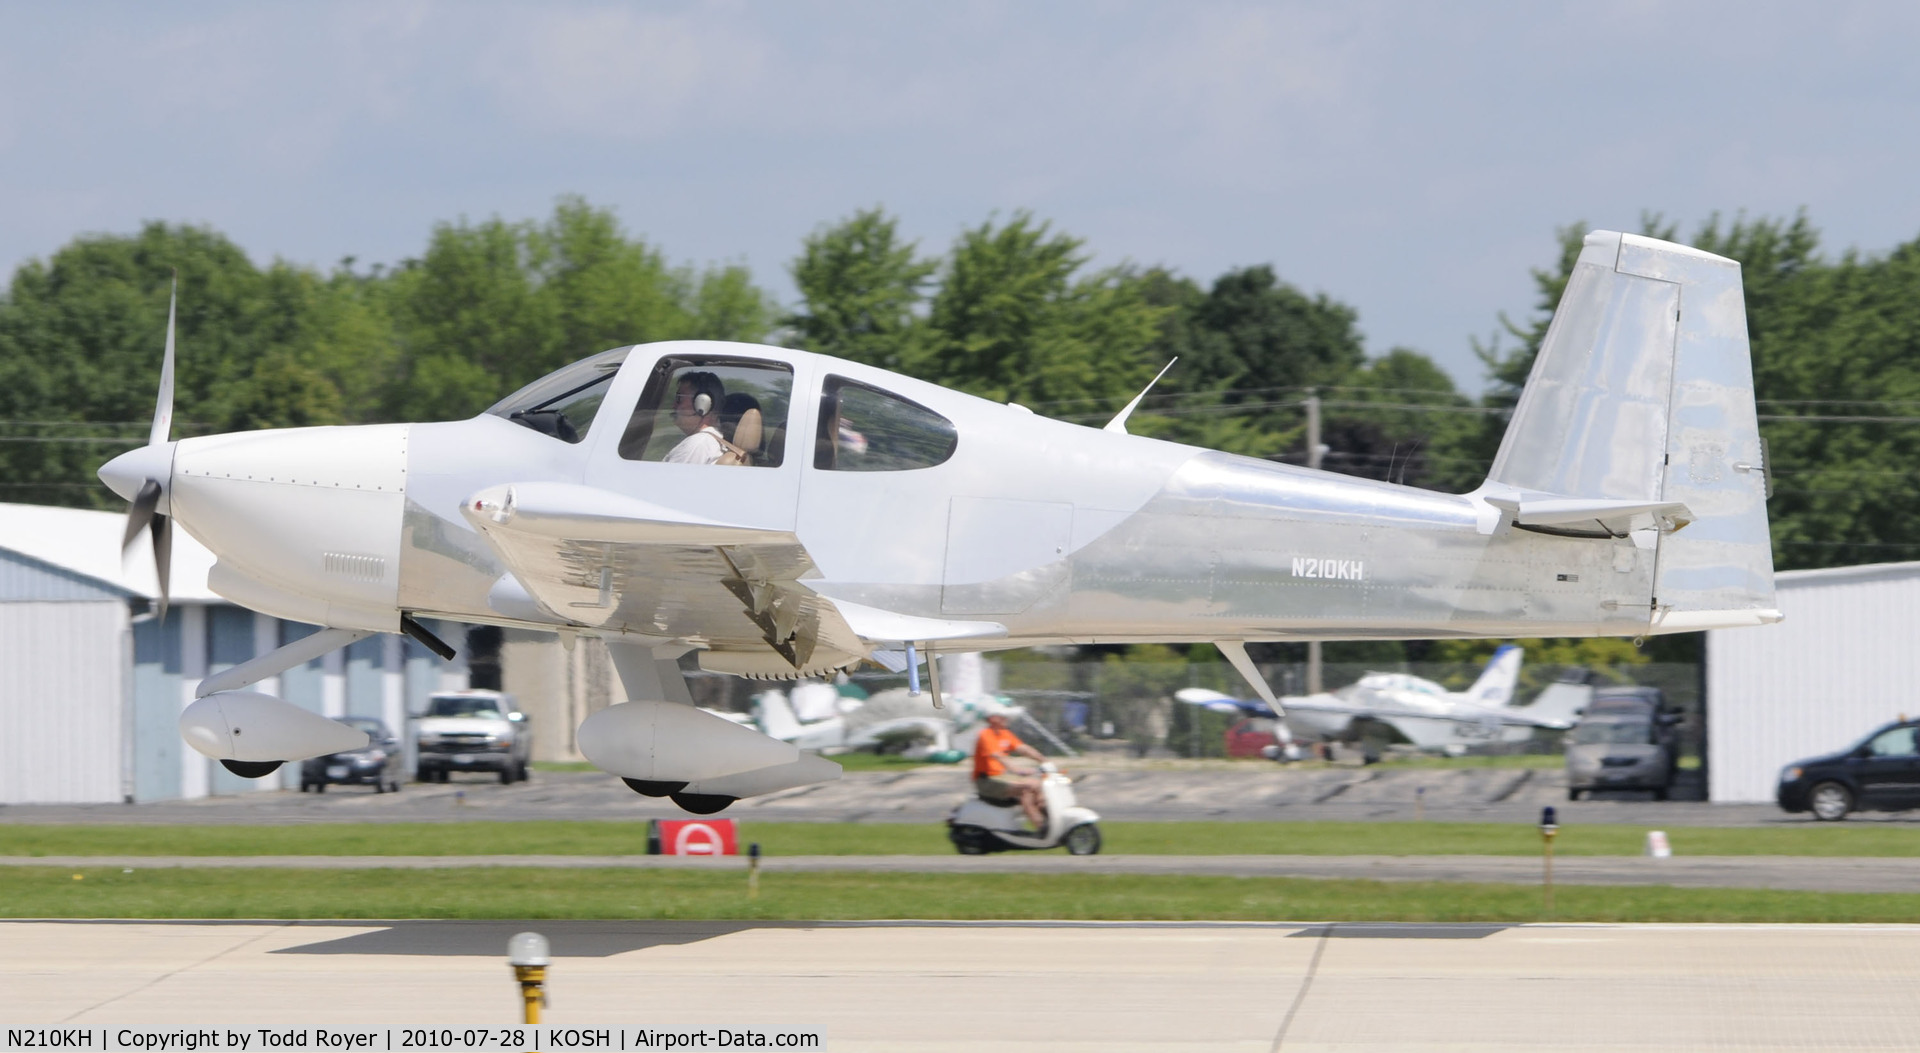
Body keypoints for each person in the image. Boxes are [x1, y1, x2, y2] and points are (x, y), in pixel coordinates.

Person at [973, 711, 1049, 829]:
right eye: (1002, 715)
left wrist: (1044, 760)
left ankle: (1047, 819)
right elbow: (999, 756)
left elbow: (1023, 749)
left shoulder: (1005, 733)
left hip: (1001, 778)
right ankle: (1040, 826)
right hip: (986, 781)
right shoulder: (985, 735)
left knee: (1038, 784)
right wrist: (1017, 770)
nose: (1006, 718)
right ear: (993, 718)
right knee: (1026, 789)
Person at [664, 372, 730, 464]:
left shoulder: (698, 444)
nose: (673, 405)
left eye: (679, 399)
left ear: (702, 404)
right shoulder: (707, 441)